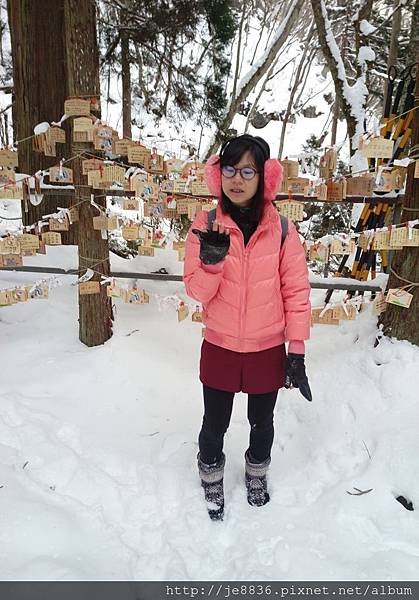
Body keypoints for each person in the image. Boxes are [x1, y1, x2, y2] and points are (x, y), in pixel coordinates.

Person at [183, 134, 312, 521]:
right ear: (217, 173)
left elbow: (296, 291)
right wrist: (212, 262)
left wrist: (297, 351)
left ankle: (257, 471)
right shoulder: (205, 224)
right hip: (220, 344)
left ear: (264, 178)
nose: (236, 179)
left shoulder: (284, 231)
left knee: (262, 422)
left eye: (247, 171)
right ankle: (210, 470)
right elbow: (196, 291)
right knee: (214, 422)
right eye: (228, 168)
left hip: (265, 347)